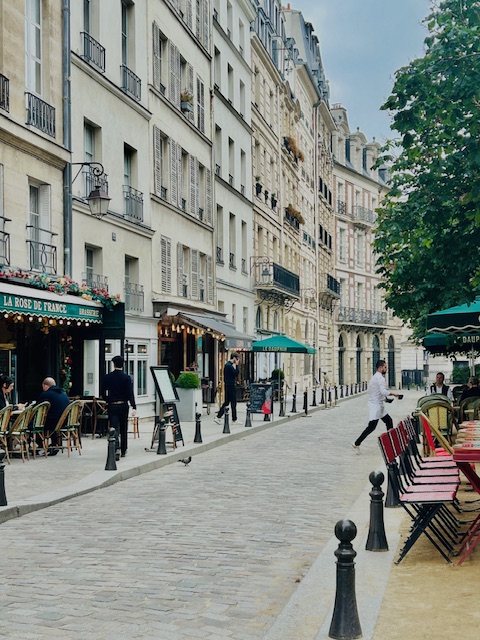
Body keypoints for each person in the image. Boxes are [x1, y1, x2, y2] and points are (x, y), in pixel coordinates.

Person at [351, 359, 399, 454]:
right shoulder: (380, 378)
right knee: (372, 426)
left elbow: (374, 392)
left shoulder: (374, 377)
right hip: (376, 406)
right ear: (381, 368)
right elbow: (383, 391)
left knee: (388, 421)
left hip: (377, 405)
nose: (387, 369)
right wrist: (394, 394)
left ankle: (391, 442)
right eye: (385, 367)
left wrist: (385, 399)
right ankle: (356, 443)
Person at [102, 355, 136, 460]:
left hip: (112, 405)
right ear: (123, 364)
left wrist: (108, 400)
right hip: (123, 405)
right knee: (123, 427)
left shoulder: (108, 377)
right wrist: (133, 406)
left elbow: (103, 392)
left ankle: (115, 447)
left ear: (114, 364)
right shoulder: (126, 378)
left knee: (114, 427)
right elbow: (130, 393)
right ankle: (123, 449)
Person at [36, 377, 70, 453]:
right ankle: (54, 444)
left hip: (53, 422)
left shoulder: (46, 394)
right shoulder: (63, 394)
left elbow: (37, 407)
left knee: (34, 425)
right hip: (64, 422)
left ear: (45, 386)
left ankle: (40, 445)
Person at [215, 352, 239, 424]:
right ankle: (234, 419)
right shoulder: (229, 366)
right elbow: (236, 373)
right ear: (234, 358)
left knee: (226, 402)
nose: (237, 360)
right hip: (230, 385)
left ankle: (218, 416)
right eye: (237, 359)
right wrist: (237, 365)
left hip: (228, 385)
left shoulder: (228, 365)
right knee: (233, 402)